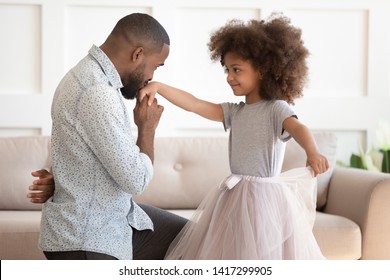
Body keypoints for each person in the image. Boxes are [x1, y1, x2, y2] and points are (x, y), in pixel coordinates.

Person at [138, 13, 329, 259]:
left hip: (264, 200)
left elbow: (298, 128)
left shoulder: (276, 109)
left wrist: (312, 152)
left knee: (260, 255)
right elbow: (195, 104)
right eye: (227, 69)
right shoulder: (235, 112)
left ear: (262, 70)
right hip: (232, 197)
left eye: (236, 69)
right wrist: (160, 87)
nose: (229, 77)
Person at [28, 13, 187, 260]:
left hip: (108, 218)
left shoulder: (83, 75)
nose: (152, 77)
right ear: (138, 54)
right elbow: (136, 180)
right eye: (156, 66)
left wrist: (57, 177)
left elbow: (76, 150)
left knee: (193, 238)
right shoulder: (98, 93)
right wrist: (147, 128)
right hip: (87, 237)